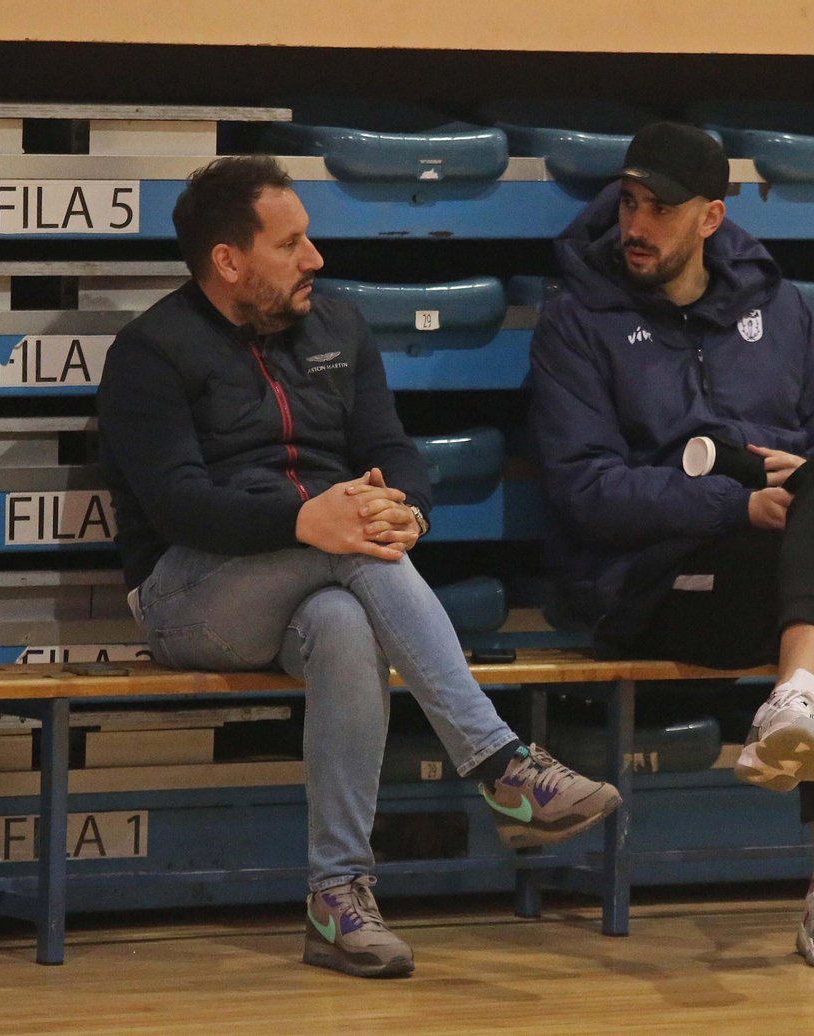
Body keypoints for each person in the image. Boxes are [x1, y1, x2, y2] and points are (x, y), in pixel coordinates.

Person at [97, 155, 620, 979]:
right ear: (229, 261)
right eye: (292, 243)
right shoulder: (150, 353)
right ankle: (498, 762)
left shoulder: (336, 328)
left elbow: (392, 453)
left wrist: (403, 509)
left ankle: (337, 902)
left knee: (346, 619)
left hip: (321, 582)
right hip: (189, 596)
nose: (316, 260)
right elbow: (177, 506)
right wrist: (310, 520)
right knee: (355, 559)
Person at [528, 123, 814, 971]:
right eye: (629, 203)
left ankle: (794, 696)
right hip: (653, 588)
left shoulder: (780, 308)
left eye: (661, 207)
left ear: (711, 218)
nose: (637, 224)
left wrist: (798, 485)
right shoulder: (578, 321)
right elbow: (582, 491)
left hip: (774, 575)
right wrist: (735, 504)